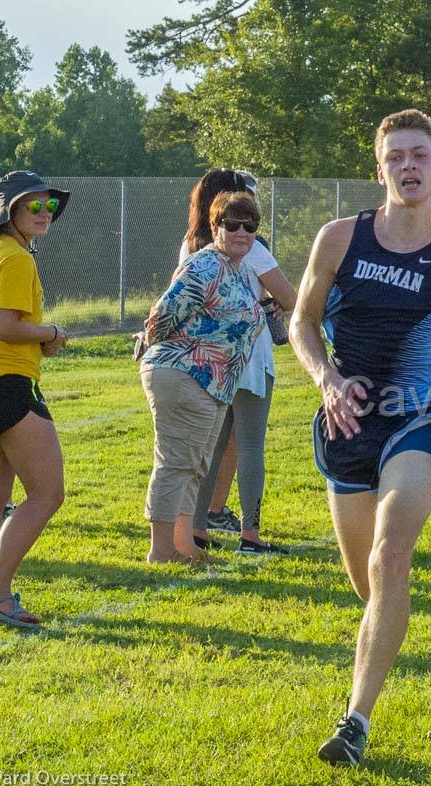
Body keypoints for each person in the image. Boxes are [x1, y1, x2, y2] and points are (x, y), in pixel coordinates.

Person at [290, 109, 431, 766]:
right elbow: (301, 323)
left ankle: (355, 720)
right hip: (345, 424)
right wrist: (326, 378)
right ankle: (387, 631)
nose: (409, 166)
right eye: (396, 156)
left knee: (388, 556)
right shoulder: (339, 238)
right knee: (370, 585)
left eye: (420, 155)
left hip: (419, 420)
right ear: (380, 169)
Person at [0, 171, 70, 629]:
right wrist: (51, 333)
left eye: (49, 206)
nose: (44, 214)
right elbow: (5, 326)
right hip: (5, 383)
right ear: (10, 210)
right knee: (47, 493)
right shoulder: (15, 257)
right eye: (33, 206)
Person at [138, 191, 265, 564]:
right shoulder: (205, 266)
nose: (242, 231)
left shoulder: (239, 270)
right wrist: (186, 354)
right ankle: (161, 550)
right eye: (232, 224)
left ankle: (185, 546)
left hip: (213, 384)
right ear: (215, 227)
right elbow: (159, 318)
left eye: (250, 225)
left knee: (195, 465)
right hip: (185, 374)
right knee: (176, 462)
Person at [178, 169, 298, 555]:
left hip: (208, 357)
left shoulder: (190, 246)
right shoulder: (253, 245)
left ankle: (198, 530)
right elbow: (290, 296)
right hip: (250, 354)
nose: (243, 225)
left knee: (210, 447)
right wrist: (274, 301)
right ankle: (251, 534)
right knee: (250, 445)